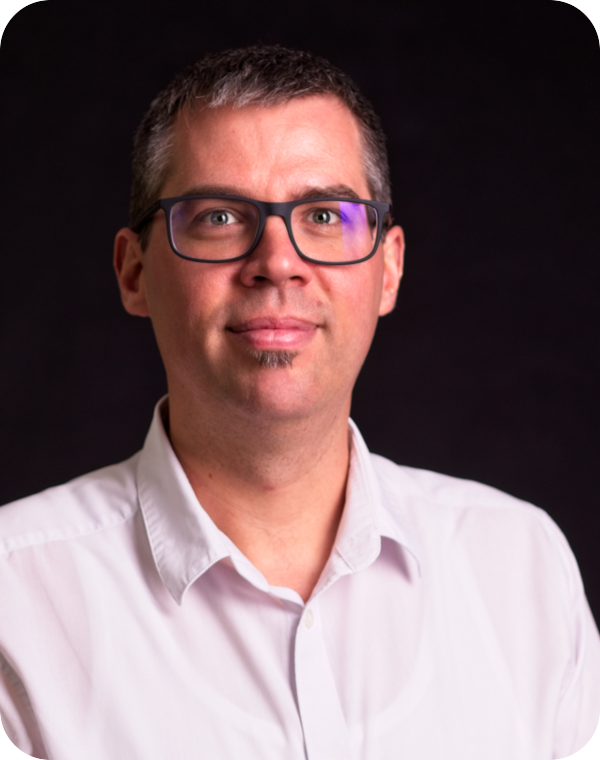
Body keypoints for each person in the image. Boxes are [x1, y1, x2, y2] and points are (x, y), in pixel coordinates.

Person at [0, 45, 598, 760]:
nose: (278, 262)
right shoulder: (16, 600)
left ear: (388, 269)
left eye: (323, 215)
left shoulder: (521, 566)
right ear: (134, 273)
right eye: (219, 216)